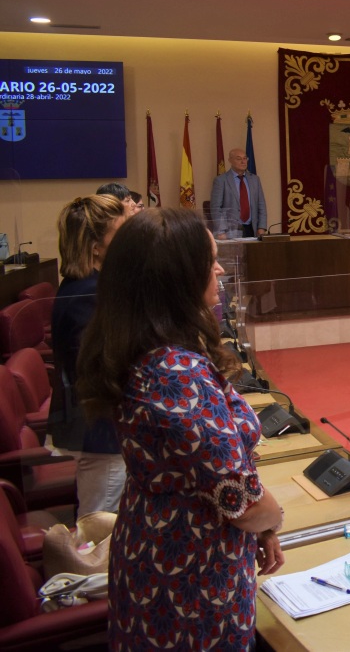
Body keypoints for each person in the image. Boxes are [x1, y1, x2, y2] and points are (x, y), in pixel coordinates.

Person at [76, 208, 285, 650]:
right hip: (188, 580)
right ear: (177, 278)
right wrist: (272, 519)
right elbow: (242, 503)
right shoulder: (175, 374)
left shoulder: (152, 349)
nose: (220, 268)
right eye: (209, 260)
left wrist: (259, 527)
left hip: (162, 552)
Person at [49, 194, 131, 514]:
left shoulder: (89, 285)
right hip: (101, 431)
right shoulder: (85, 294)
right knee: (99, 531)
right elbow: (100, 367)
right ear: (96, 245)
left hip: (102, 426)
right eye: (120, 233)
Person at [211, 148, 268, 239]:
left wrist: (261, 227)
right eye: (238, 159)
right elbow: (216, 208)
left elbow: (261, 205)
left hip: (252, 228)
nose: (243, 162)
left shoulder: (255, 179)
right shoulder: (221, 180)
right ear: (230, 160)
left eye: (245, 158)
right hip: (230, 230)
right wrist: (221, 230)